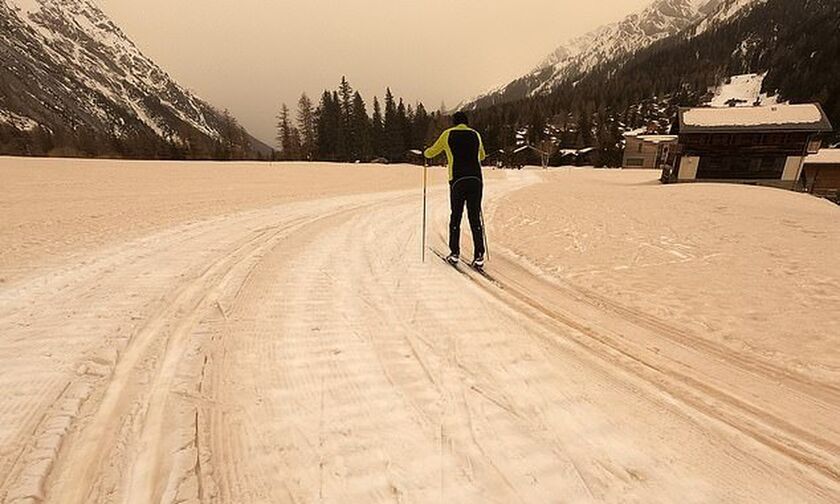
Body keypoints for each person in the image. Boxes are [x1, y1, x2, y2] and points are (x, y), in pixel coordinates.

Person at [424, 111, 487, 269]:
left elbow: (432, 152)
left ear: (454, 122)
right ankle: (479, 255)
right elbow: (482, 156)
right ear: (466, 123)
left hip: (458, 180)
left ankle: (454, 254)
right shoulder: (476, 134)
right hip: (476, 180)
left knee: (456, 217)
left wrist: (425, 152)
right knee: (474, 217)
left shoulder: (447, 134)